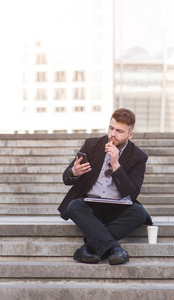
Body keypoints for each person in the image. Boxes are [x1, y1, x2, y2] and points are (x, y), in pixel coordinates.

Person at [58, 108, 153, 265]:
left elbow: (131, 194)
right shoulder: (92, 145)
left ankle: (87, 249)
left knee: (139, 213)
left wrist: (116, 164)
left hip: (116, 208)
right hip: (90, 205)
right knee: (74, 206)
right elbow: (66, 179)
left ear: (130, 135)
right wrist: (74, 171)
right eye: (111, 128)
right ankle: (115, 250)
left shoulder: (138, 156)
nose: (113, 134)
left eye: (119, 131)